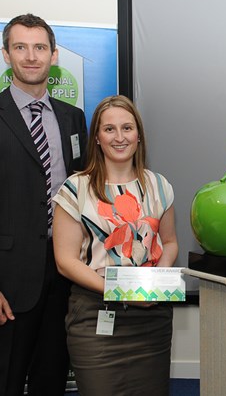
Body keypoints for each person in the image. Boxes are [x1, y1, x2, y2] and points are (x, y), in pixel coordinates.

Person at [0, 13, 88, 395]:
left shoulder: (73, 118)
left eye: (40, 47)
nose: (31, 56)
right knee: (3, 382)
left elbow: (81, 194)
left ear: (53, 55)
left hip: (64, 272)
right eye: (21, 47)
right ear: (7, 54)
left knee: (52, 376)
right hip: (6, 281)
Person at [52, 95, 178, 396]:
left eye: (127, 128)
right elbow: (65, 261)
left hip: (152, 318)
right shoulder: (75, 188)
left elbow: (170, 242)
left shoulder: (159, 185)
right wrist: (123, 291)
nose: (119, 137)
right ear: (96, 137)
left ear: (139, 135)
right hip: (96, 317)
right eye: (109, 129)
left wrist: (153, 283)